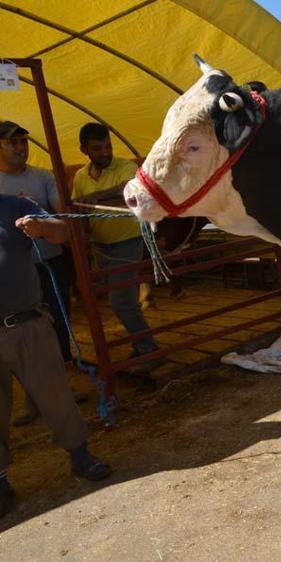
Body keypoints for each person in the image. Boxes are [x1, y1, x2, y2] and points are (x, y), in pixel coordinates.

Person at [1, 193, 111, 519]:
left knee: (55, 395)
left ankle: (80, 456)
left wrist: (42, 227)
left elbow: (63, 231)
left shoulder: (14, 205)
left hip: (26, 324)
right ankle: (1, 483)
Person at [0, 121, 84, 426]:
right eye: (13, 143)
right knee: (18, 337)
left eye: (23, 142)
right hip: (15, 273)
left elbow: (61, 216)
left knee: (57, 326)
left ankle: (61, 391)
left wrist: (47, 225)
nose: (21, 148)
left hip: (50, 264)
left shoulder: (42, 177)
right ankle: (33, 399)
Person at [71, 123, 158, 359]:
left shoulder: (126, 166)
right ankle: (144, 345)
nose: (105, 152)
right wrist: (85, 234)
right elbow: (78, 208)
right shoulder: (80, 176)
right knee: (120, 299)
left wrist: (93, 197)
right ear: (84, 149)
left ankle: (147, 348)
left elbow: (126, 191)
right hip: (101, 245)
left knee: (121, 301)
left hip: (126, 241)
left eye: (108, 146)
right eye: (98, 148)